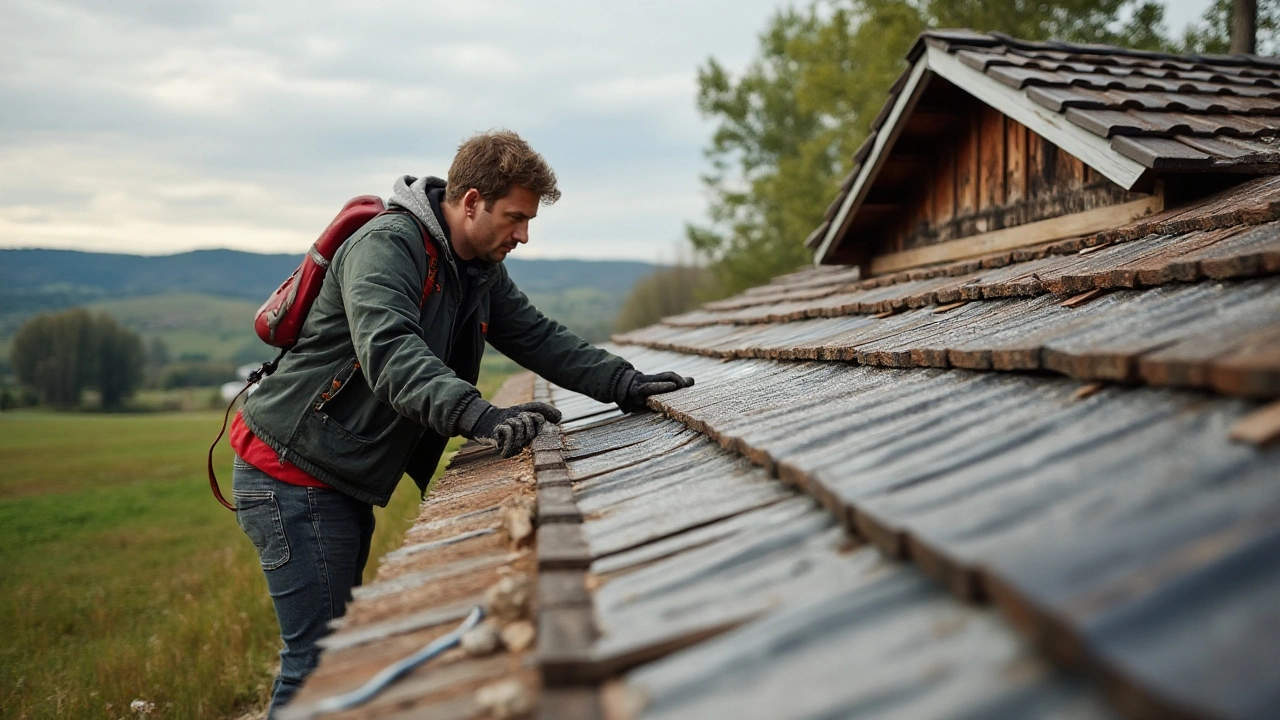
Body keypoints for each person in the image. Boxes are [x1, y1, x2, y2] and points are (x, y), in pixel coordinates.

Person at [228, 130, 693, 714]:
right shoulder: (388, 247)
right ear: (471, 202)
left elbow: (536, 335)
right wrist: (477, 415)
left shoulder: (474, 268)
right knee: (320, 666)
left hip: (333, 476)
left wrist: (621, 382)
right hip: (290, 475)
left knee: (337, 656)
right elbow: (392, 353)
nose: (523, 235)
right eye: (515, 217)